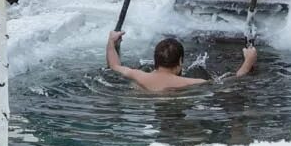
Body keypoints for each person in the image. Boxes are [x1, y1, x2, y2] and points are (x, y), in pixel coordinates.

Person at [106, 31, 257, 92]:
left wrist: (112, 42)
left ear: (155, 60)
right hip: (175, 105)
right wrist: (248, 61)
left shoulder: (138, 75)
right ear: (180, 61)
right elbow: (234, 80)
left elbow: (114, 65)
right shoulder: (192, 82)